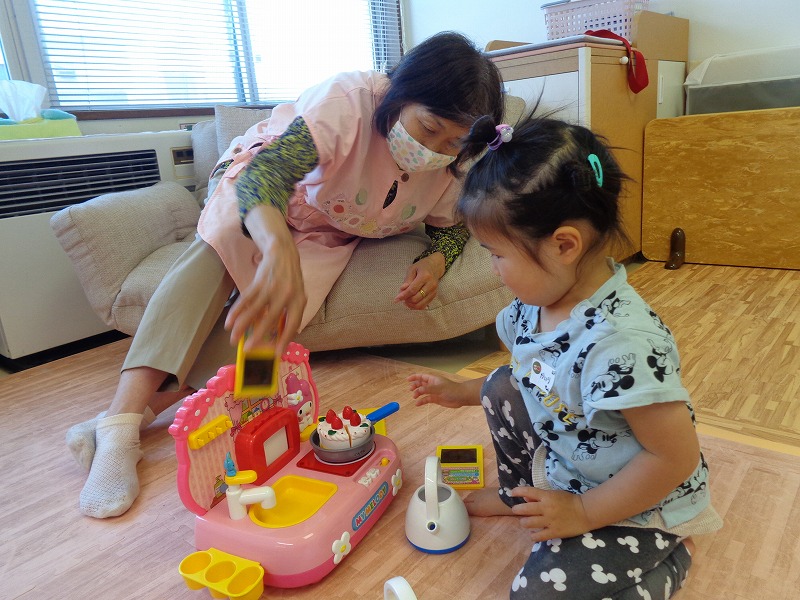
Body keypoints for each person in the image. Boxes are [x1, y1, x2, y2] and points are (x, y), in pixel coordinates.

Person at [66, 31, 504, 519]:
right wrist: (276, 251)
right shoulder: (348, 102)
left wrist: (437, 259)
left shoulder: (454, 166)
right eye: (428, 128)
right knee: (218, 248)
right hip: (259, 188)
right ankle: (120, 428)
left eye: (452, 143)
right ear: (400, 94)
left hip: (327, 231)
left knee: (266, 333)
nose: (434, 150)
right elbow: (266, 177)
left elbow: (452, 224)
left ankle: (121, 422)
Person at [408, 114, 722, 599]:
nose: (493, 270)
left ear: (563, 245)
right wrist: (460, 392)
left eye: (497, 254)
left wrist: (583, 513)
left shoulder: (623, 344)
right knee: (499, 385)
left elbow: (674, 458)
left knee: (536, 593)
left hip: (637, 504)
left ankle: (673, 557)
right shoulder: (531, 307)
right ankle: (522, 496)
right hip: (570, 466)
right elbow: (526, 375)